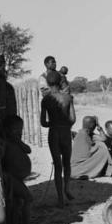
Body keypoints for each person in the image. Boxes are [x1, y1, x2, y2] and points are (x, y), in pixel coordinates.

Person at [41, 70, 76, 207]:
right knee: (67, 163)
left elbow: (43, 122)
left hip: (54, 133)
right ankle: (67, 189)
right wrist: (63, 123)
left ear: (48, 83)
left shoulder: (46, 100)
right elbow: (72, 119)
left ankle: (60, 198)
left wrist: (53, 123)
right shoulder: (68, 98)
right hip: (65, 132)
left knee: (57, 165)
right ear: (60, 82)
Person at [0, 115, 33, 224]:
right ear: (7, 130)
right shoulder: (5, 143)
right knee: (28, 198)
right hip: (11, 178)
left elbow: (28, 150)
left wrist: (18, 141)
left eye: (21, 129)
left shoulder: (17, 143)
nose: (19, 132)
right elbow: (1, 161)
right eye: (16, 130)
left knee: (17, 202)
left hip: (17, 178)